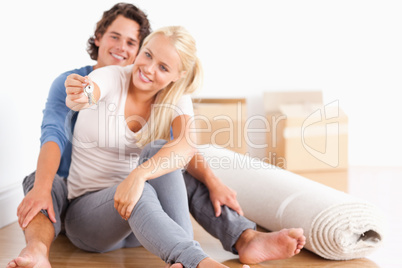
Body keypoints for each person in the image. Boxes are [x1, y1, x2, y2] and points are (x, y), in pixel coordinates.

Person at [8, 3, 305, 268]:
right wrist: (81, 93)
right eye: (147, 55)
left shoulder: (175, 96)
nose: (148, 68)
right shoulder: (111, 76)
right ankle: (195, 260)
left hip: (141, 220)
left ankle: (242, 239)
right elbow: (85, 95)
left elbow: (185, 146)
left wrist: (210, 181)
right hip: (93, 217)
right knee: (143, 184)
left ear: (177, 76)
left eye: (162, 66)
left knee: (162, 155)